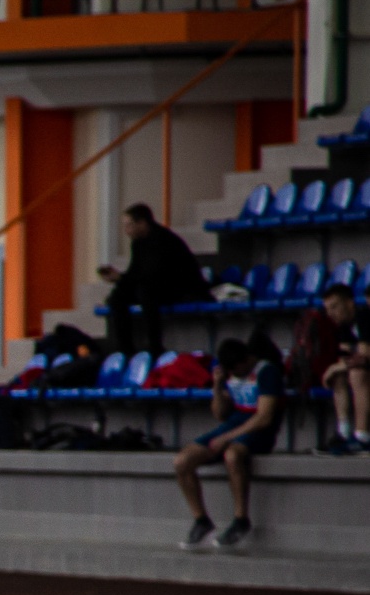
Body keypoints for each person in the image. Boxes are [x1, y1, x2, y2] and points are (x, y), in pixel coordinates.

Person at [173, 334, 279, 549]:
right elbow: (220, 414)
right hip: (233, 423)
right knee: (182, 461)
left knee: (233, 455)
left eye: (235, 370)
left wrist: (227, 438)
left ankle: (241, 519)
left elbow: (264, 416)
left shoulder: (266, 372)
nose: (233, 375)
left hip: (257, 428)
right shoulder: (229, 375)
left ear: (245, 361)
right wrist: (217, 387)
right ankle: (201, 520)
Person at [98, 204, 208, 357]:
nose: (126, 230)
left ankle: (155, 346)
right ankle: (125, 349)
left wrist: (122, 278)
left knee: (145, 292)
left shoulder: (164, 240)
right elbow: (135, 273)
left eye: (129, 225)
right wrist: (118, 279)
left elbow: (155, 275)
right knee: (117, 296)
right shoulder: (137, 243)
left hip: (178, 287)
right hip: (152, 284)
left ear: (142, 223)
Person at [300, 285, 368, 454]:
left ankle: (363, 437)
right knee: (339, 376)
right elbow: (345, 355)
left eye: (335, 306)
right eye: (327, 309)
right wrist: (336, 368)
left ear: (350, 303)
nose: (330, 313)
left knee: (357, 373)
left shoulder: (364, 316)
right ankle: (343, 434)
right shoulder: (344, 325)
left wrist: (335, 367)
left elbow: (364, 357)